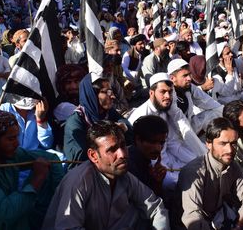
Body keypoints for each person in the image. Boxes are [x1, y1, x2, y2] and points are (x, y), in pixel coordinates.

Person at [42, 120, 170, 230]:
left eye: (123, 146)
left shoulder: (124, 176)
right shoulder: (78, 182)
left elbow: (155, 207)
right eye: (112, 150)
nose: (122, 155)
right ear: (93, 156)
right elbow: (68, 227)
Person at [0, 110, 64, 230]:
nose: (17, 143)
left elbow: (52, 159)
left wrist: (60, 195)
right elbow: (7, 212)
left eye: (16, 137)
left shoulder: (10, 156)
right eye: (11, 139)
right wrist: (36, 179)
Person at [174, 117, 243, 230]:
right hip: (198, 226)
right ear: (208, 144)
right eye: (223, 144)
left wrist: (238, 226)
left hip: (222, 219)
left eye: (233, 143)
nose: (230, 150)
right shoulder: (194, 172)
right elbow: (192, 216)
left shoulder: (234, 167)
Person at [128, 73, 207, 190]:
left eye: (170, 92)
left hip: (170, 157)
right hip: (154, 165)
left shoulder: (166, 108)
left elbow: (171, 142)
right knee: (178, 183)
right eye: (163, 92)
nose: (167, 96)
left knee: (201, 164)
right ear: (151, 93)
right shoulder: (140, 115)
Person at [63, 74, 132, 170]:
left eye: (111, 91)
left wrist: (123, 127)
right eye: (107, 92)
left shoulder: (108, 112)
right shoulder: (76, 122)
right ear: (92, 95)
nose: (112, 96)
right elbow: (81, 158)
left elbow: (125, 124)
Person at [168, 58, 223, 133]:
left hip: (189, 125)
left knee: (214, 113)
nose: (189, 78)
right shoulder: (168, 95)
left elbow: (209, 102)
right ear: (172, 78)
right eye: (185, 75)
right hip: (176, 134)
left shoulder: (189, 87)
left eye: (190, 74)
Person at [128, 115, 168, 196]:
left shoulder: (145, 158)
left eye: (162, 143)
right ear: (138, 139)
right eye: (152, 142)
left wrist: (158, 182)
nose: (158, 148)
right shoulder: (129, 166)